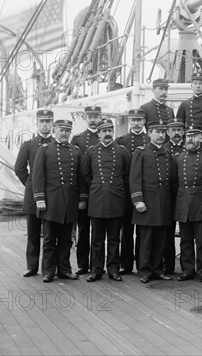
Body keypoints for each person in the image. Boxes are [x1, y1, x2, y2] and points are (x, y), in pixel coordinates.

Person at [32, 119, 88, 282]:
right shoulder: (45, 150)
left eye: (67, 130)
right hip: (51, 201)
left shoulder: (76, 151)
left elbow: (81, 178)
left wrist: (82, 198)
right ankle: (48, 271)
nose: (64, 133)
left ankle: (64, 269)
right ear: (55, 130)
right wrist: (39, 198)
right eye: (61, 130)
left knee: (66, 239)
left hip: (70, 201)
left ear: (70, 132)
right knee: (49, 239)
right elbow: (37, 176)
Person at [82, 119, 131, 282]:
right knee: (96, 239)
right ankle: (96, 270)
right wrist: (99, 187)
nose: (108, 134)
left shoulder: (122, 152)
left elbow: (127, 175)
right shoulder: (90, 152)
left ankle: (113, 270)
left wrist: (114, 188)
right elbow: (86, 175)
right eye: (104, 131)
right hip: (97, 200)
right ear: (99, 134)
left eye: (110, 130)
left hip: (116, 199)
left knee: (114, 238)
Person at [130, 121, 175, 284]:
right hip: (147, 202)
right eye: (157, 132)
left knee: (161, 239)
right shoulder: (141, 152)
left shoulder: (167, 153)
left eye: (163, 132)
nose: (161, 135)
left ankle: (157, 269)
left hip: (163, 203)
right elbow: (135, 178)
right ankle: (144, 270)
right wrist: (138, 200)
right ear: (149, 133)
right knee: (146, 239)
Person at [15, 109, 55, 278]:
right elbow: (19, 169)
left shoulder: (57, 144)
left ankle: (47, 270)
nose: (45, 124)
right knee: (33, 233)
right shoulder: (29, 145)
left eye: (48, 121)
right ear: (37, 123)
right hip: (33, 196)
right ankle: (32, 267)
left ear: (52, 123)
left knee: (49, 235)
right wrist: (30, 185)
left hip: (52, 194)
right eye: (42, 121)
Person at [172, 125, 202, 283]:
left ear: (201, 138)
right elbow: (175, 183)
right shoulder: (178, 158)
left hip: (201, 203)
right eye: (188, 135)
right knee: (185, 240)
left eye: (194, 135)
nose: (190, 138)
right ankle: (187, 270)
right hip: (183, 202)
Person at [115, 108, 150, 274]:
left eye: (139, 120)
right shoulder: (121, 141)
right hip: (125, 192)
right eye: (133, 120)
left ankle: (143, 264)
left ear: (144, 121)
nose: (136, 123)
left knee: (143, 231)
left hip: (145, 192)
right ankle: (126, 264)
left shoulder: (150, 139)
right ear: (129, 121)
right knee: (126, 231)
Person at [71, 105, 101, 275]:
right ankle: (83, 264)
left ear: (100, 117)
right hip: (84, 192)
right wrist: (81, 195)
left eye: (96, 116)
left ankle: (97, 265)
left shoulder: (106, 137)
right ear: (85, 118)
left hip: (101, 193)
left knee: (98, 232)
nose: (93, 119)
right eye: (90, 116)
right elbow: (75, 170)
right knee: (83, 231)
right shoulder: (78, 139)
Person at [161, 118, 184, 276]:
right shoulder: (163, 149)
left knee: (186, 234)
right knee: (167, 233)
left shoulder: (188, 147)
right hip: (168, 198)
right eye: (173, 130)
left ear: (183, 131)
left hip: (184, 198)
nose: (176, 133)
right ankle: (167, 266)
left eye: (179, 130)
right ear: (167, 132)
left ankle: (186, 268)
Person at [176, 72, 202, 150]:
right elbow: (179, 125)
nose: (198, 86)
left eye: (201, 83)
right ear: (191, 85)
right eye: (195, 83)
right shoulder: (185, 104)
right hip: (190, 140)